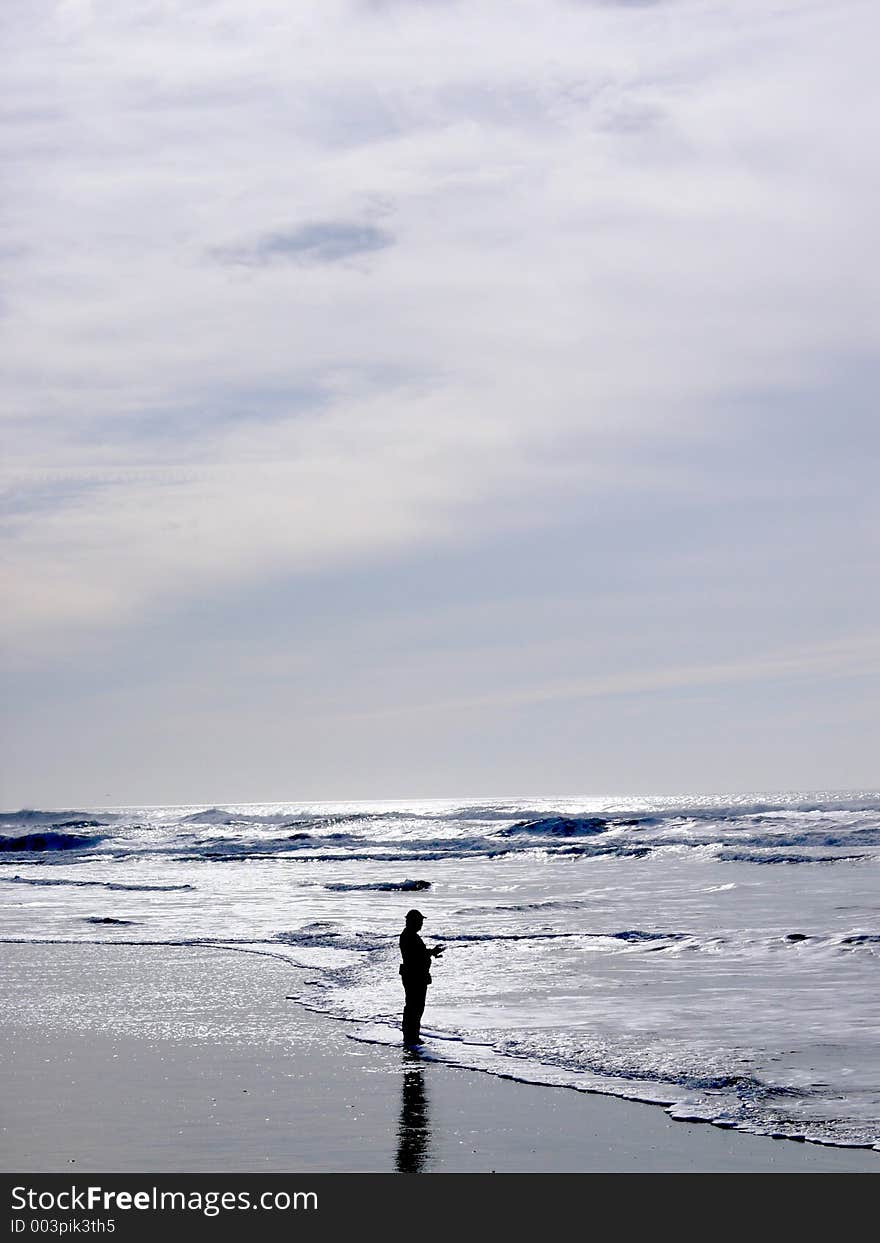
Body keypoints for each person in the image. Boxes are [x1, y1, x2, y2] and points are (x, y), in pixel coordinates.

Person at [398, 909, 444, 1046]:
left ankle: (411, 1036)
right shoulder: (409, 936)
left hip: (414, 975)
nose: (421, 924)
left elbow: (418, 954)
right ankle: (411, 1037)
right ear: (413, 921)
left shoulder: (409, 935)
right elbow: (416, 957)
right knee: (415, 1007)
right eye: (420, 921)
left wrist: (431, 953)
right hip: (414, 976)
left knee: (414, 1007)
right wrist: (431, 952)